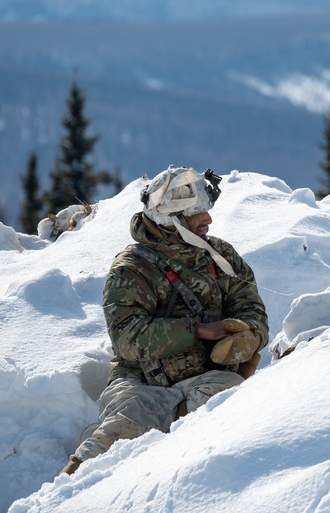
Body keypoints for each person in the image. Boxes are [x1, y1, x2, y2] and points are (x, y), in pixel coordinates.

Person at [60, 167, 269, 476]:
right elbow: (127, 338)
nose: (208, 220)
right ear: (173, 221)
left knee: (227, 407)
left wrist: (248, 337)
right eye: (197, 213)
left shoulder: (220, 256)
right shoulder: (131, 269)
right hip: (140, 386)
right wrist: (197, 331)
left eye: (205, 210)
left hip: (207, 378)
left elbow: (252, 309)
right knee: (107, 448)